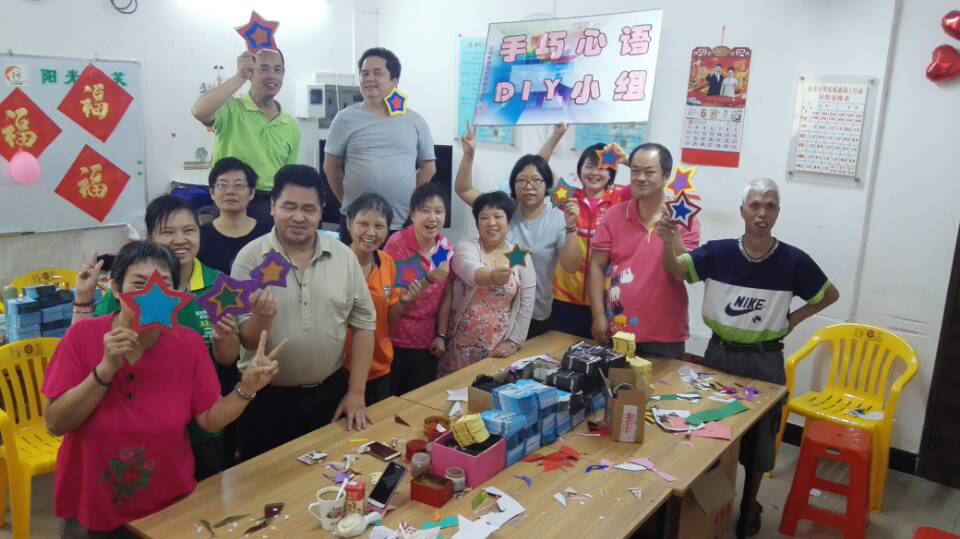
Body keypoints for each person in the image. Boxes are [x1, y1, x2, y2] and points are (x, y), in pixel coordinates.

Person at [43, 241, 284, 538]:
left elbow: (210, 420)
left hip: (168, 504)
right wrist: (105, 369)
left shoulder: (189, 344)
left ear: (178, 293)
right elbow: (55, 423)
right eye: (138, 283)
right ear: (116, 290)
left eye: (164, 284)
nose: (150, 294)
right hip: (94, 505)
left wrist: (246, 388)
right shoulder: (82, 336)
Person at [658, 178, 839, 538]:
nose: (762, 213)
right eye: (755, 205)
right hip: (718, 358)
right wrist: (666, 240)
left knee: (759, 444)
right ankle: (710, 499)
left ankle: (750, 503)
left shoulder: (794, 261)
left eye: (770, 206)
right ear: (742, 211)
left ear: (777, 213)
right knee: (709, 432)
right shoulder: (718, 253)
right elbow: (677, 269)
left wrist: (793, 319)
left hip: (765, 363)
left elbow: (829, 295)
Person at [75, 195, 242, 480]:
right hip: (140, 428)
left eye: (189, 230)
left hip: (203, 426)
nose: (180, 240)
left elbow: (227, 358)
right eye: (168, 232)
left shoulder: (219, 286)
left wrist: (223, 339)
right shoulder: (130, 287)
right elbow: (85, 346)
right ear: (151, 237)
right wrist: (83, 298)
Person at [232, 164, 376, 460]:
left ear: (321, 211)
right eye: (289, 206)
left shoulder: (343, 257)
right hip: (265, 399)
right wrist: (262, 317)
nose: (299, 217)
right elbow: (246, 341)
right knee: (264, 482)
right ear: (272, 207)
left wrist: (357, 392)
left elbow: (364, 325)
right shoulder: (250, 259)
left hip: (329, 393)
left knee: (332, 475)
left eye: (309, 209)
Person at [455, 123, 579, 339]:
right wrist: (468, 155)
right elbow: (464, 189)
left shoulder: (557, 219)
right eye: (521, 180)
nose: (529, 186)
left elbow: (571, 266)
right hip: (496, 313)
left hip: (536, 316)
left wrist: (571, 226)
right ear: (513, 185)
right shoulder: (502, 211)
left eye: (536, 181)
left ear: (547, 185)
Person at [589, 143, 700, 357]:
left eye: (649, 172)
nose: (640, 178)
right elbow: (597, 266)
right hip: (619, 329)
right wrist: (599, 316)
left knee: (663, 380)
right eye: (635, 171)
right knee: (617, 380)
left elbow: (683, 272)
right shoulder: (614, 215)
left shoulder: (684, 219)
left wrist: (673, 233)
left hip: (665, 334)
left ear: (666, 175)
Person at [323, 47, 436, 239]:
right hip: (356, 221)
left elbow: (429, 167)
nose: (369, 78)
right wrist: (347, 201)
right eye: (364, 73)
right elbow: (330, 166)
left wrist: (411, 202)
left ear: (395, 80)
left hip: (400, 221)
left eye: (377, 73)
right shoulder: (344, 118)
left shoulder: (415, 121)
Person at [536, 123, 630, 338]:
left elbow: (649, 182)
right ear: (580, 169)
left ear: (612, 172)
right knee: (561, 349)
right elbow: (538, 166)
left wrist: (623, 158)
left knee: (599, 353)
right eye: (589, 166)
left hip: (607, 298)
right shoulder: (567, 196)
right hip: (565, 296)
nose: (594, 172)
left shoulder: (621, 198)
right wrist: (556, 135)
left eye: (602, 167)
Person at [191, 49, 301, 223]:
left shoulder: (291, 124)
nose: (272, 76)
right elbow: (199, 111)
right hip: (231, 200)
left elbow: (287, 177)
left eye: (277, 70)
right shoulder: (231, 108)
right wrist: (239, 77)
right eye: (263, 68)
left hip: (270, 206)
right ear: (251, 72)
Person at [440, 191, 536, 376]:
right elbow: (469, 270)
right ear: (477, 223)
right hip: (460, 344)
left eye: (498, 216)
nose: (491, 223)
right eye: (484, 218)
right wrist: (492, 277)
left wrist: (513, 342)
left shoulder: (520, 255)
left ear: (508, 221)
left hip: (498, 347)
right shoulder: (466, 247)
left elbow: (527, 303)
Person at [343, 192, 425, 405]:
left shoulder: (387, 262)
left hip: (379, 368)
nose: (371, 232)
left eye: (379, 226)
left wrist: (404, 302)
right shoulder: (336, 262)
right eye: (363, 224)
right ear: (349, 222)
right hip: (340, 371)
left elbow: (388, 319)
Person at [382, 182, 453, 395]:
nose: (433, 217)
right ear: (412, 214)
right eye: (425, 211)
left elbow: (446, 293)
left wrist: (441, 334)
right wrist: (428, 279)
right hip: (394, 340)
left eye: (439, 211)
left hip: (426, 343)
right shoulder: (396, 244)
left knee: (419, 401)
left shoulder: (443, 246)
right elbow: (387, 294)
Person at [198, 157, 272, 275]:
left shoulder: (269, 233)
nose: (230, 191)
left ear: (251, 193)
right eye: (222, 185)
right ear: (212, 193)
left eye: (238, 185)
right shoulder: (199, 236)